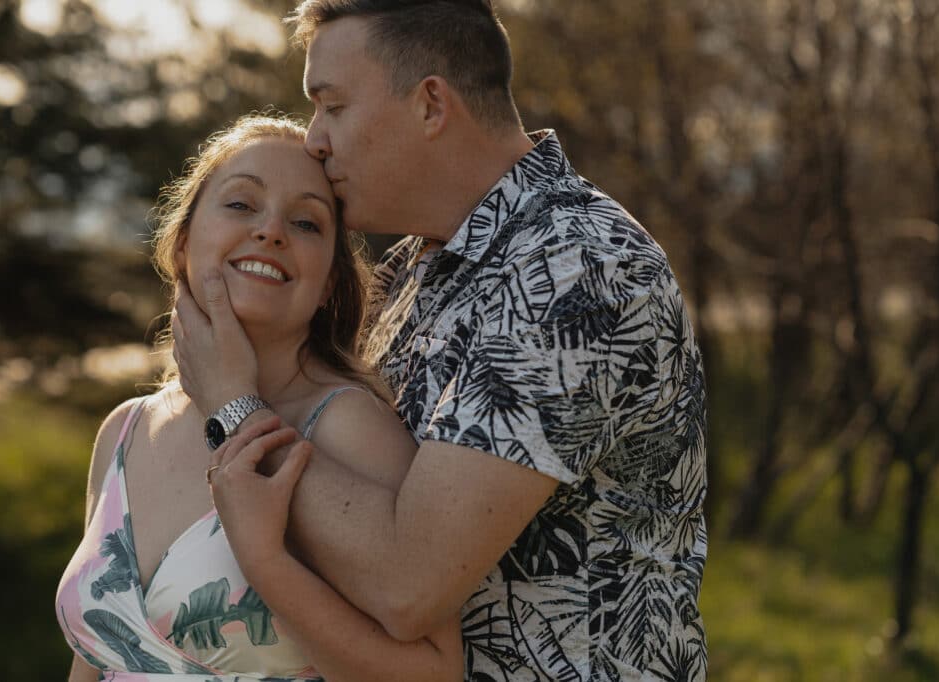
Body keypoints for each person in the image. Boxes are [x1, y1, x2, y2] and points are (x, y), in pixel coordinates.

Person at [175, 1, 709, 680]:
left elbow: (407, 585)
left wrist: (235, 407)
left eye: (332, 106)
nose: (314, 139)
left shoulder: (577, 267)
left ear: (431, 104)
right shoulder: (415, 268)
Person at [55, 114, 463, 681]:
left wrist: (266, 564)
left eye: (305, 222)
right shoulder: (124, 431)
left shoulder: (347, 426)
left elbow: (433, 675)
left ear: (327, 287)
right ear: (182, 244)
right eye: (241, 205)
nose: (271, 231)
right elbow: (94, 662)